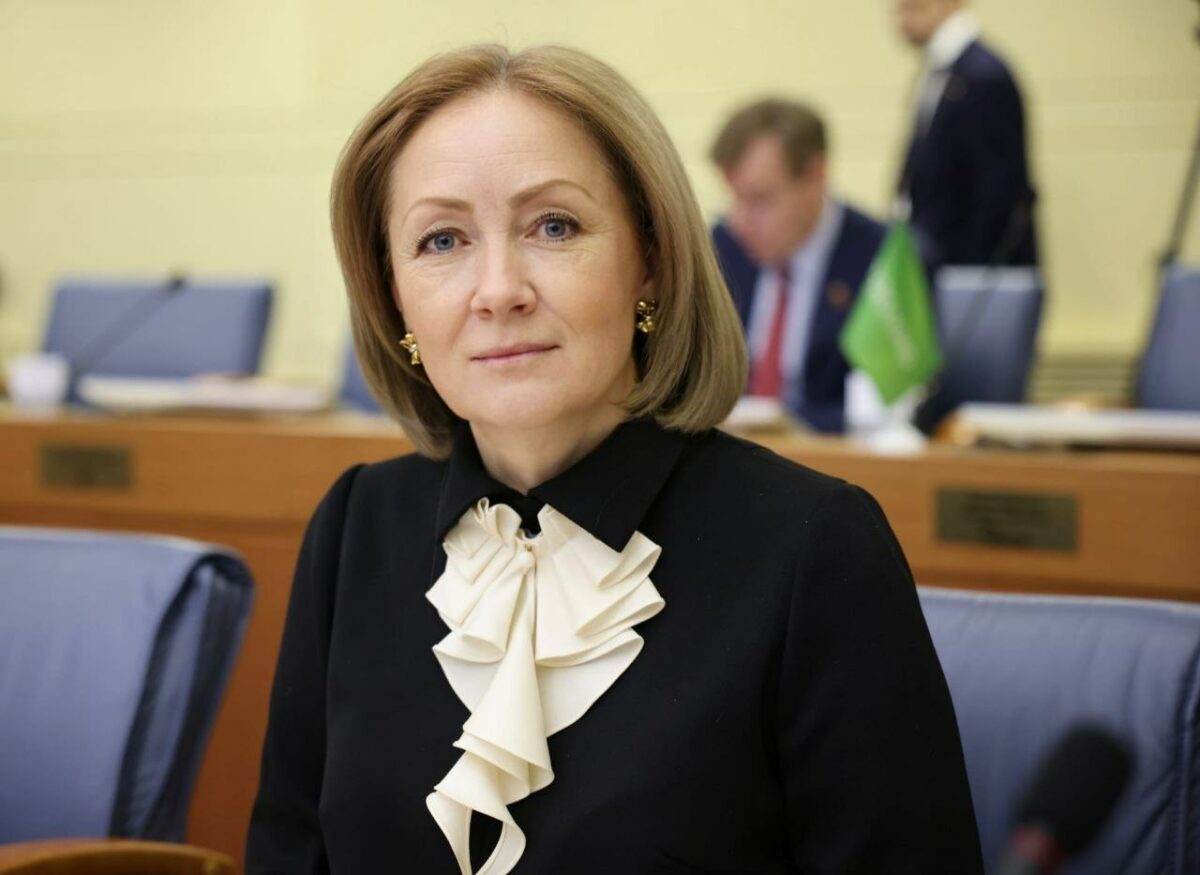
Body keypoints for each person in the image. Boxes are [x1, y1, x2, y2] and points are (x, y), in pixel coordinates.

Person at [246, 43, 983, 875]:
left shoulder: (817, 546)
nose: (498, 289)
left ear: (652, 260)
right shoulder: (354, 529)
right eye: (442, 239)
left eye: (553, 226)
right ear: (393, 297)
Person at [710, 99, 885, 433]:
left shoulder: (882, 261)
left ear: (815, 176)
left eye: (758, 199)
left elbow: (885, 413)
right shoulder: (724, 247)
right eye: (734, 198)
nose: (739, 221)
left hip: (830, 455)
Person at [895, 0, 1038, 268]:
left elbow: (998, 193)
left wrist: (962, 272)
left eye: (914, 7)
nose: (901, 20)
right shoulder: (937, 72)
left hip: (968, 271)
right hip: (932, 261)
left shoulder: (983, 77)